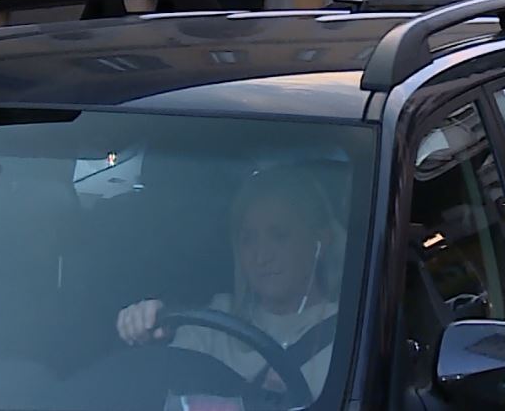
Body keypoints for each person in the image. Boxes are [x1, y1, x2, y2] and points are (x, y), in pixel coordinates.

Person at [116, 166, 345, 398]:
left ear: (320, 241)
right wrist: (148, 328)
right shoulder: (215, 320)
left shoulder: (349, 335)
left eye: (279, 235)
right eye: (248, 239)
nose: (261, 256)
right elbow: (162, 377)